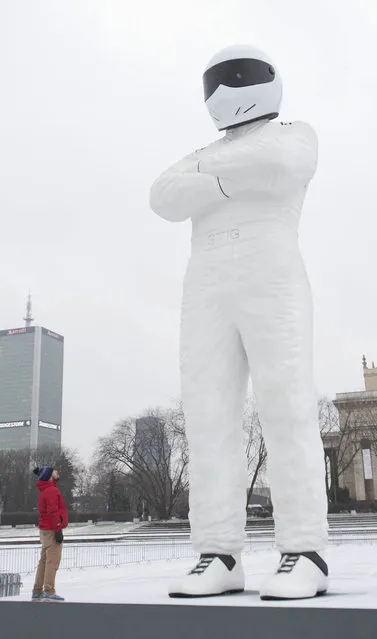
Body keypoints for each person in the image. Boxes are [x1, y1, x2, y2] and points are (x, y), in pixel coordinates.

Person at [149, 44, 329, 600]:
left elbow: (278, 167)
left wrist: (207, 180)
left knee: (286, 406)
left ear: (267, 82)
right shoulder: (208, 150)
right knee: (206, 416)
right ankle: (219, 551)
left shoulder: (295, 134)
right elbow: (162, 197)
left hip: (271, 274)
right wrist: (231, 178)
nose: (227, 88)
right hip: (205, 286)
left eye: (237, 77)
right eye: (218, 80)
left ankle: (306, 550)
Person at [31, 466, 68, 602]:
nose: (57, 471)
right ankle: (49, 590)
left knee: (44, 561)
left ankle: (37, 590)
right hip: (52, 529)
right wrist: (58, 529)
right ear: (49, 476)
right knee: (52, 561)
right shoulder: (51, 490)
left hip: (45, 529)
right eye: (54, 471)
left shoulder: (45, 490)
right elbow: (53, 511)